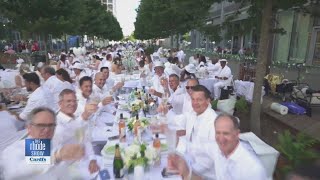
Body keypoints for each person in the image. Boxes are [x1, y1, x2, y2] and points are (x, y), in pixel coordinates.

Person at [169, 114, 267, 180]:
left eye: (226, 133)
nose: (221, 138)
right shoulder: (217, 149)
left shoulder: (251, 168)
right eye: (218, 133)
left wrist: (187, 175)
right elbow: (194, 147)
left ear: (237, 134)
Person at [1, 107, 86, 179]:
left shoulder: (54, 144)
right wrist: (55, 157)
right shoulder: (15, 150)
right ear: (29, 128)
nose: (47, 130)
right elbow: (12, 173)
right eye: (41, 125)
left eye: (51, 125)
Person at [53, 89, 99, 175]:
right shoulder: (57, 125)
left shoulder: (74, 118)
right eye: (68, 101)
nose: (73, 104)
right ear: (60, 104)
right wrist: (84, 116)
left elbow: (85, 140)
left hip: (84, 163)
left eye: (74, 101)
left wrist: (92, 159)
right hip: (68, 171)